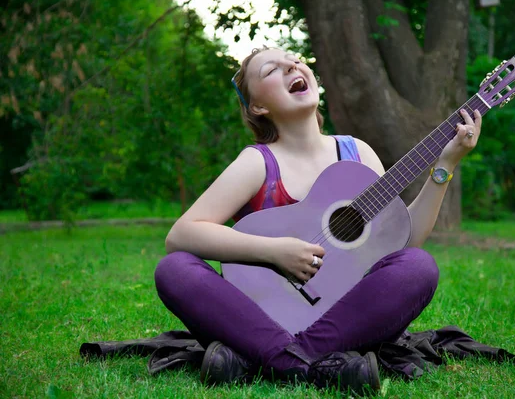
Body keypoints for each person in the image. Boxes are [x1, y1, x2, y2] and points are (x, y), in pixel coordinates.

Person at [154, 47, 482, 395]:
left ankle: (262, 360)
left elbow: (403, 241)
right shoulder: (259, 163)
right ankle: (321, 365)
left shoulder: (357, 154)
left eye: (294, 59)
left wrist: (446, 166)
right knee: (174, 269)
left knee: (418, 266)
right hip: (260, 316)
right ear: (258, 107)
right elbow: (181, 235)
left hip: (338, 315)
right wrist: (274, 252)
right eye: (271, 70)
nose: (291, 65)